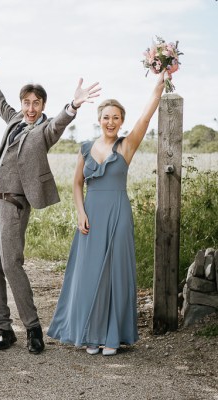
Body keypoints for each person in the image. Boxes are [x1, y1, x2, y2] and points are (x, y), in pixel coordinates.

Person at [0, 52, 100, 354]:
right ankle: (4, 329)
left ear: (43, 105)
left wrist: (74, 104)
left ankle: (33, 329)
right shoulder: (15, 118)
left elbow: (60, 123)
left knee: (11, 265)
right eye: (26, 102)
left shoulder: (44, 131)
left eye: (36, 103)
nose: (30, 108)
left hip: (14, 207)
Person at [47, 73, 166, 356]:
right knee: (88, 274)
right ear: (99, 119)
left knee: (115, 273)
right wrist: (80, 212)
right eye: (106, 117)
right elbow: (77, 183)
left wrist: (159, 83)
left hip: (118, 214)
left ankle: (112, 336)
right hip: (91, 215)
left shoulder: (126, 146)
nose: (111, 122)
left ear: (121, 121)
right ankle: (91, 334)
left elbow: (146, 118)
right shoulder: (85, 149)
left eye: (116, 118)